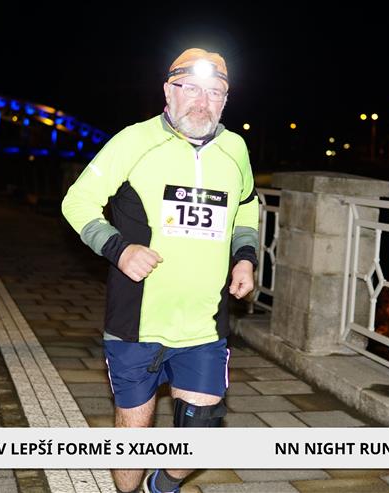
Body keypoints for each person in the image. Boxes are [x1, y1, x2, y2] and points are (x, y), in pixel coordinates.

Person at [62, 47, 259, 493]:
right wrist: (118, 249)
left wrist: (245, 257)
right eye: (191, 89)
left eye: (215, 92)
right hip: (137, 324)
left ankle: (163, 485)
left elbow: (247, 206)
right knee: (128, 463)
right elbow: (77, 201)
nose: (202, 102)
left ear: (226, 100)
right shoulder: (134, 141)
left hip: (205, 324)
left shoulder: (235, 149)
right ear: (169, 91)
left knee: (202, 437)